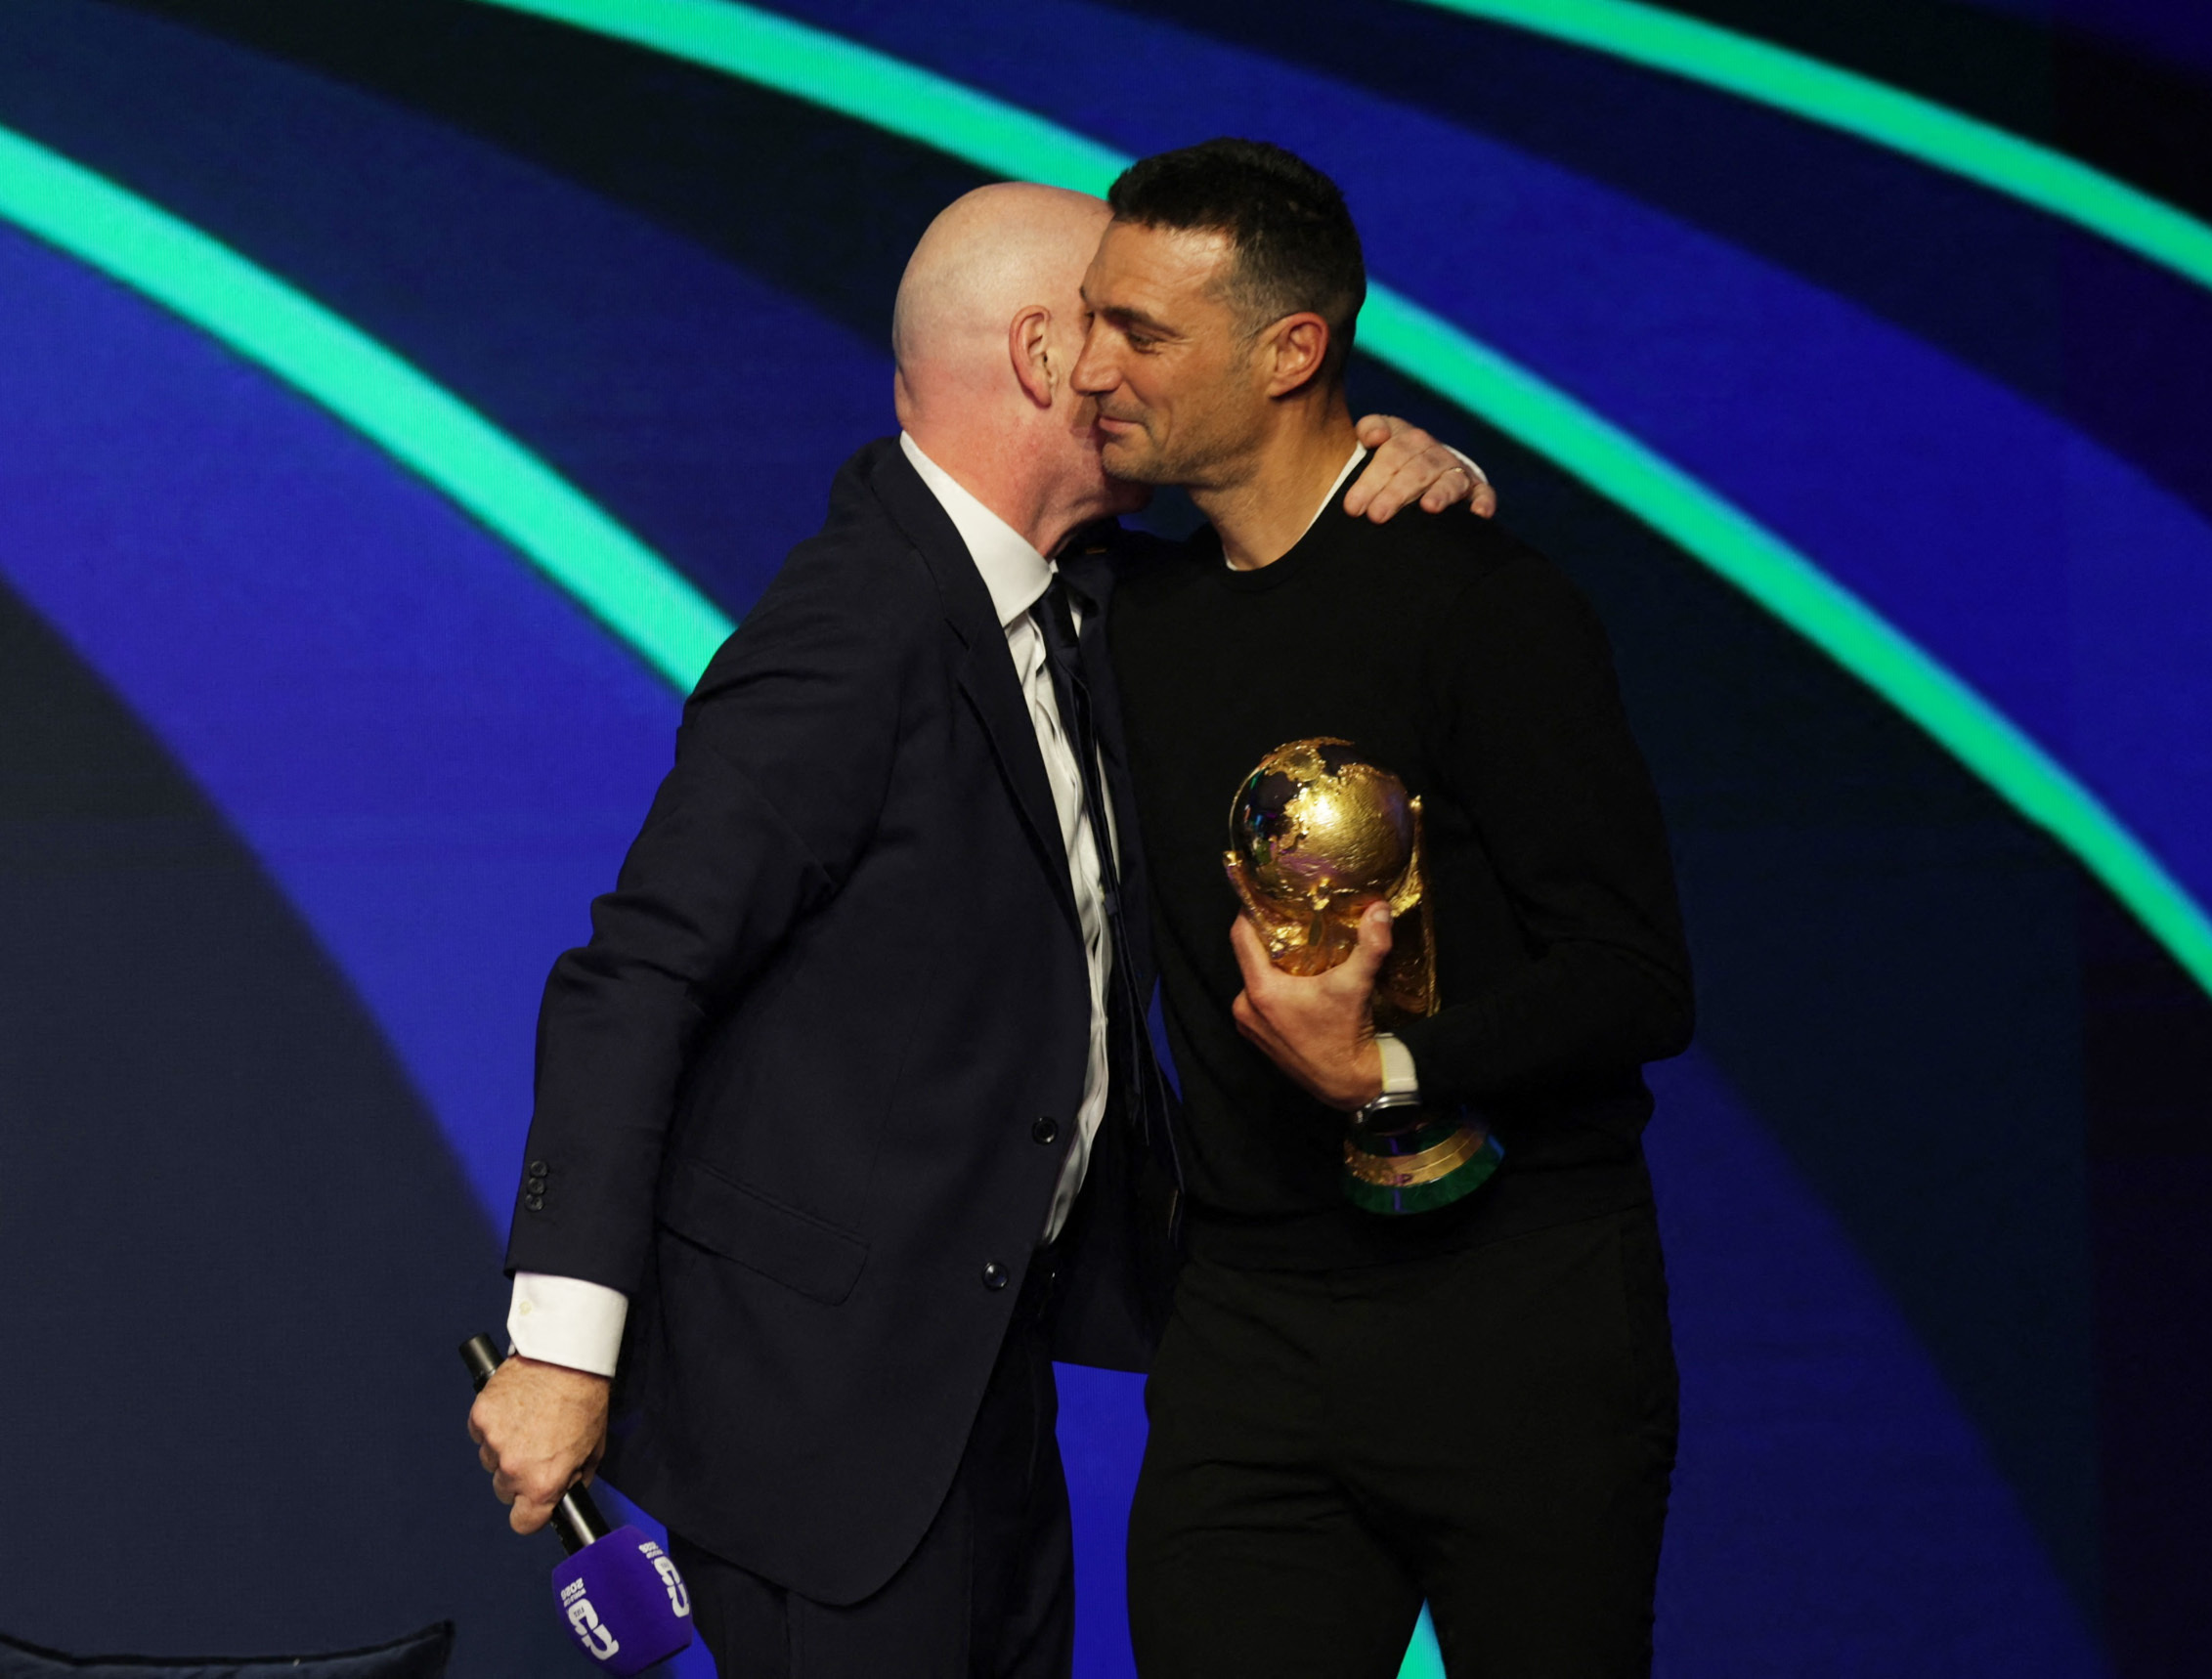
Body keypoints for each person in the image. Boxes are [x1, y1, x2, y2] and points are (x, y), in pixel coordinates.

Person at [465, 177, 1492, 1679]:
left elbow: (1272, 568)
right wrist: (561, 1340)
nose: (1161, 366)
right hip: (823, 1423)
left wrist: (1386, 466)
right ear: (1042, 354)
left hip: (978, 1388)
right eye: (1131, 328)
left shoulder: (1086, 594)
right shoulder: (854, 627)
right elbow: (638, 974)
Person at [1077, 140, 1695, 1677]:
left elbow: (1636, 977)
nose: (1093, 366)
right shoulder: (1122, 612)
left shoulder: (1486, 602)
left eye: (1139, 332)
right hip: (1249, 1337)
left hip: (1521, 1318)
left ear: (1294, 349)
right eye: (1090, 319)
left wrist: (1390, 1070)